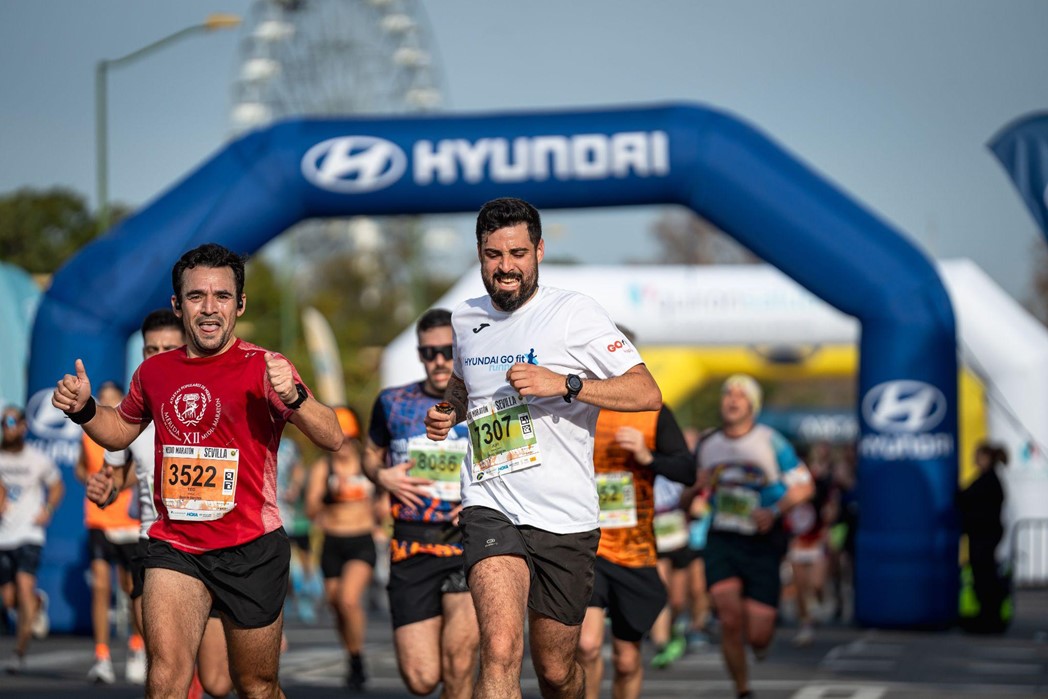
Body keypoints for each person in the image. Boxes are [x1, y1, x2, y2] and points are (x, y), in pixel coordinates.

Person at [52, 242, 343, 699]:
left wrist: (296, 399)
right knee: (166, 679)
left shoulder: (266, 367)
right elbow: (119, 431)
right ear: (177, 304)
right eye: (196, 296)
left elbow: (332, 437)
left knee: (256, 685)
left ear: (240, 304)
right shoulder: (155, 372)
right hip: (175, 546)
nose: (209, 309)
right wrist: (86, 409)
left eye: (222, 296)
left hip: (251, 548)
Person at [424, 197, 663, 699]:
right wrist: (449, 412)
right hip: (491, 502)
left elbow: (646, 393)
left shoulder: (574, 313)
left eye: (517, 253)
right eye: (493, 255)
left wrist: (565, 383)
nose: (505, 267)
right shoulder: (465, 319)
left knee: (556, 671)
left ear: (539, 251)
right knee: (502, 648)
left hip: (565, 515)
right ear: (479, 255)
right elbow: (466, 388)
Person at [86, 309, 234, 697]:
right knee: (168, 670)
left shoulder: (210, 404)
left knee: (218, 681)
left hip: (213, 544)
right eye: (152, 349)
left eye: (169, 348)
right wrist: (106, 488)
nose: (160, 355)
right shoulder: (131, 414)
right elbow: (115, 476)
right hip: (154, 546)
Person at [363, 308, 479, 699]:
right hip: (410, 545)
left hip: (468, 543)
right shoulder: (392, 403)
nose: (440, 360)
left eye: (448, 350)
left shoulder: (483, 401)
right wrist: (380, 475)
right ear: (420, 355)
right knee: (422, 678)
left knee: (460, 662)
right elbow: (369, 454)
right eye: (430, 352)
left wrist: (484, 498)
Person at [696, 374, 814, 699]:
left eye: (741, 396)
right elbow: (687, 496)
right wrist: (694, 489)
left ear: (753, 406)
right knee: (730, 619)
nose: (732, 400)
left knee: (759, 635)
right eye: (727, 394)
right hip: (723, 537)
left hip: (763, 539)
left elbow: (805, 486)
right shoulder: (708, 444)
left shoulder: (772, 441)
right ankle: (743, 689)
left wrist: (774, 511)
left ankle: (760, 645)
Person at [576, 391, 695, 699]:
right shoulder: (575, 405)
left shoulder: (651, 411)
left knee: (626, 661)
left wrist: (648, 457)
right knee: (587, 646)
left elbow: (688, 470)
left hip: (634, 552)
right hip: (586, 546)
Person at [76, 380, 143, 684]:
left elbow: (137, 469)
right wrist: (92, 482)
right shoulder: (88, 434)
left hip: (129, 522)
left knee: (133, 590)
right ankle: (101, 656)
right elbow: (82, 467)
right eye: (101, 400)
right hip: (99, 520)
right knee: (101, 587)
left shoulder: (130, 430)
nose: (107, 405)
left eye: (113, 400)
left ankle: (137, 647)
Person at [305, 406, 377, 691]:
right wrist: (331, 494)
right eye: (340, 439)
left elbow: (384, 496)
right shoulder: (325, 468)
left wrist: (381, 508)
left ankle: (358, 658)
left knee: (348, 600)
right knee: (337, 606)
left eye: (349, 439)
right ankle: (351, 652)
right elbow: (311, 508)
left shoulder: (367, 463)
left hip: (361, 541)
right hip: (333, 542)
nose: (344, 446)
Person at [0, 406, 65, 674]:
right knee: (9, 599)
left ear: (25, 426)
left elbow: (58, 485)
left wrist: (47, 509)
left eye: (14, 422)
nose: (10, 427)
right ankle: (38, 603)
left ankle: (19, 652)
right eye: (6, 423)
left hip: (29, 534)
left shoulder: (37, 459)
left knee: (24, 588)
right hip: (4, 536)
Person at [785, 440, 837, 647]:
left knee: (816, 583)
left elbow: (830, 506)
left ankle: (821, 601)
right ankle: (805, 624)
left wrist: (828, 525)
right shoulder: (786, 483)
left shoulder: (819, 481)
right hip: (797, 540)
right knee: (799, 586)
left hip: (816, 538)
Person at [957, 440, 1010, 633]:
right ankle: (988, 616)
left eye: (978, 456)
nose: (975, 459)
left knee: (984, 577)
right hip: (984, 534)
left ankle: (989, 617)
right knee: (983, 576)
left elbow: (966, 497)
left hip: (983, 535)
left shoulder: (987, 480)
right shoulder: (989, 479)